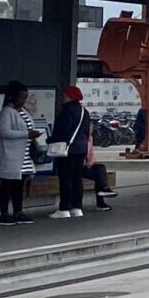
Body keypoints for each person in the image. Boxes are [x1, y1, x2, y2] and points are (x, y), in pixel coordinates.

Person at [0, 82, 40, 224]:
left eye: (25, 98)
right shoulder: (6, 112)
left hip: (24, 156)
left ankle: (18, 211)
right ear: (12, 97)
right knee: (7, 184)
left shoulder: (23, 111)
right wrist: (27, 134)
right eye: (21, 98)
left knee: (19, 185)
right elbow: (5, 132)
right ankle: (4, 213)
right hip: (10, 155)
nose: (23, 101)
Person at [48, 84, 93, 219]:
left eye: (64, 95)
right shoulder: (84, 111)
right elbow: (87, 131)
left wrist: (50, 140)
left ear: (70, 96)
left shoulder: (67, 111)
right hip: (81, 149)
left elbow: (63, 131)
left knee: (66, 178)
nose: (62, 98)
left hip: (68, 150)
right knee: (77, 179)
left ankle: (64, 209)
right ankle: (77, 207)